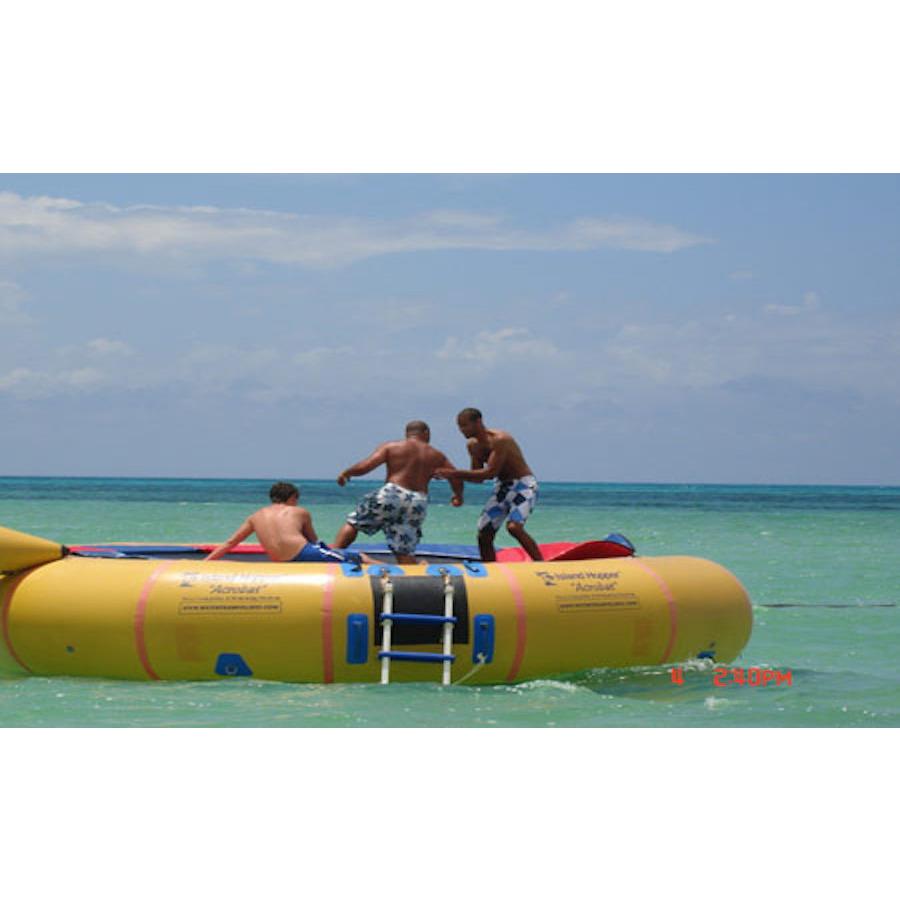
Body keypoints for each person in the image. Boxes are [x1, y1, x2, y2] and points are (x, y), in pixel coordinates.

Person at [333, 420, 463, 564]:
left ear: (407, 434)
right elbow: (455, 476)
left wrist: (347, 473)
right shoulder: (437, 455)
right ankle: (411, 577)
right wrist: (457, 496)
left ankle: (332, 556)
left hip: (393, 494)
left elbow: (366, 465)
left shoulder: (392, 447)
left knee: (355, 523)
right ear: (426, 433)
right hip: (417, 501)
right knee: (403, 546)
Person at [436, 407, 543, 562]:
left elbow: (490, 472)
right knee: (484, 533)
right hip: (502, 487)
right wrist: (449, 476)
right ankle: (491, 570)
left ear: (478, 422)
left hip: (523, 485)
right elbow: (478, 477)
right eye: (459, 426)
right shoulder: (473, 446)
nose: (461, 430)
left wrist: (453, 473)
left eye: (465, 425)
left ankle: (540, 565)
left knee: (514, 527)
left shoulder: (500, 439)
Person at [204, 481, 373, 564]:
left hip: (281, 560)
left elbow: (230, 543)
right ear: (292, 498)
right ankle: (398, 573)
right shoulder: (299, 512)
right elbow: (314, 542)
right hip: (302, 554)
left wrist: (205, 564)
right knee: (359, 557)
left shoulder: (255, 516)